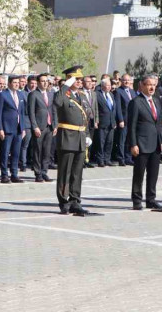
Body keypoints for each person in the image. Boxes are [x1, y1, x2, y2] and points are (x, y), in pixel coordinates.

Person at [55, 65, 91, 216]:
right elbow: (57, 103)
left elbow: (86, 117)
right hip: (67, 137)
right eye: (76, 79)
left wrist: (87, 134)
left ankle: (75, 200)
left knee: (77, 173)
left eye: (80, 79)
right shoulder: (63, 94)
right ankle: (64, 202)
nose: (79, 81)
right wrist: (65, 86)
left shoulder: (82, 96)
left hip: (80, 138)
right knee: (65, 172)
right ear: (69, 80)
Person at [128, 75, 162, 211]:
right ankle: (137, 200)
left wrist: (161, 141)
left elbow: (159, 124)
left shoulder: (156, 101)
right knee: (139, 174)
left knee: (153, 174)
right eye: (149, 85)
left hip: (155, 143)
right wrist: (133, 144)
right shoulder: (136, 102)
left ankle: (151, 199)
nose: (151, 87)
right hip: (141, 144)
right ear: (142, 86)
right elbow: (131, 125)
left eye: (154, 85)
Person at [0, 75, 27, 183]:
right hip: (7, 128)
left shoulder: (20, 94)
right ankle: (4, 175)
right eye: (14, 82)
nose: (17, 84)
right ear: (9, 83)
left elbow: (22, 113)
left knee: (16, 152)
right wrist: (0, 128)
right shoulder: (2, 95)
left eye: (18, 82)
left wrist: (23, 128)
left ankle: (14, 174)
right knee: (5, 153)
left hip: (18, 128)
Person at [28, 73, 56, 182]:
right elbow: (31, 112)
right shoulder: (34, 94)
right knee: (37, 151)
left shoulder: (50, 94)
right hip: (39, 127)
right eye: (43, 81)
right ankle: (38, 173)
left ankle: (44, 171)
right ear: (38, 83)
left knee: (47, 151)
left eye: (46, 81)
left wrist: (55, 125)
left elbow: (54, 111)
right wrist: (35, 127)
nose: (45, 83)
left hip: (49, 126)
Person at [114, 74, 135, 166]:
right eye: (124, 80)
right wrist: (120, 120)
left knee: (129, 140)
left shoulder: (132, 91)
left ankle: (128, 157)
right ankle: (121, 158)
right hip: (124, 120)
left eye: (128, 80)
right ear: (121, 81)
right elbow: (118, 107)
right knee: (122, 141)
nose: (126, 82)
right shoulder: (118, 91)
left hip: (132, 120)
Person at [95, 78, 117, 167]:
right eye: (107, 85)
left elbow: (113, 109)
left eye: (110, 85)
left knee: (109, 142)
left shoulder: (111, 95)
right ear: (102, 85)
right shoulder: (97, 94)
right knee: (101, 142)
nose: (109, 87)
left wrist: (114, 121)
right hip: (102, 122)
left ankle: (107, 159)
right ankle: (100, 160)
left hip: (111, 123)